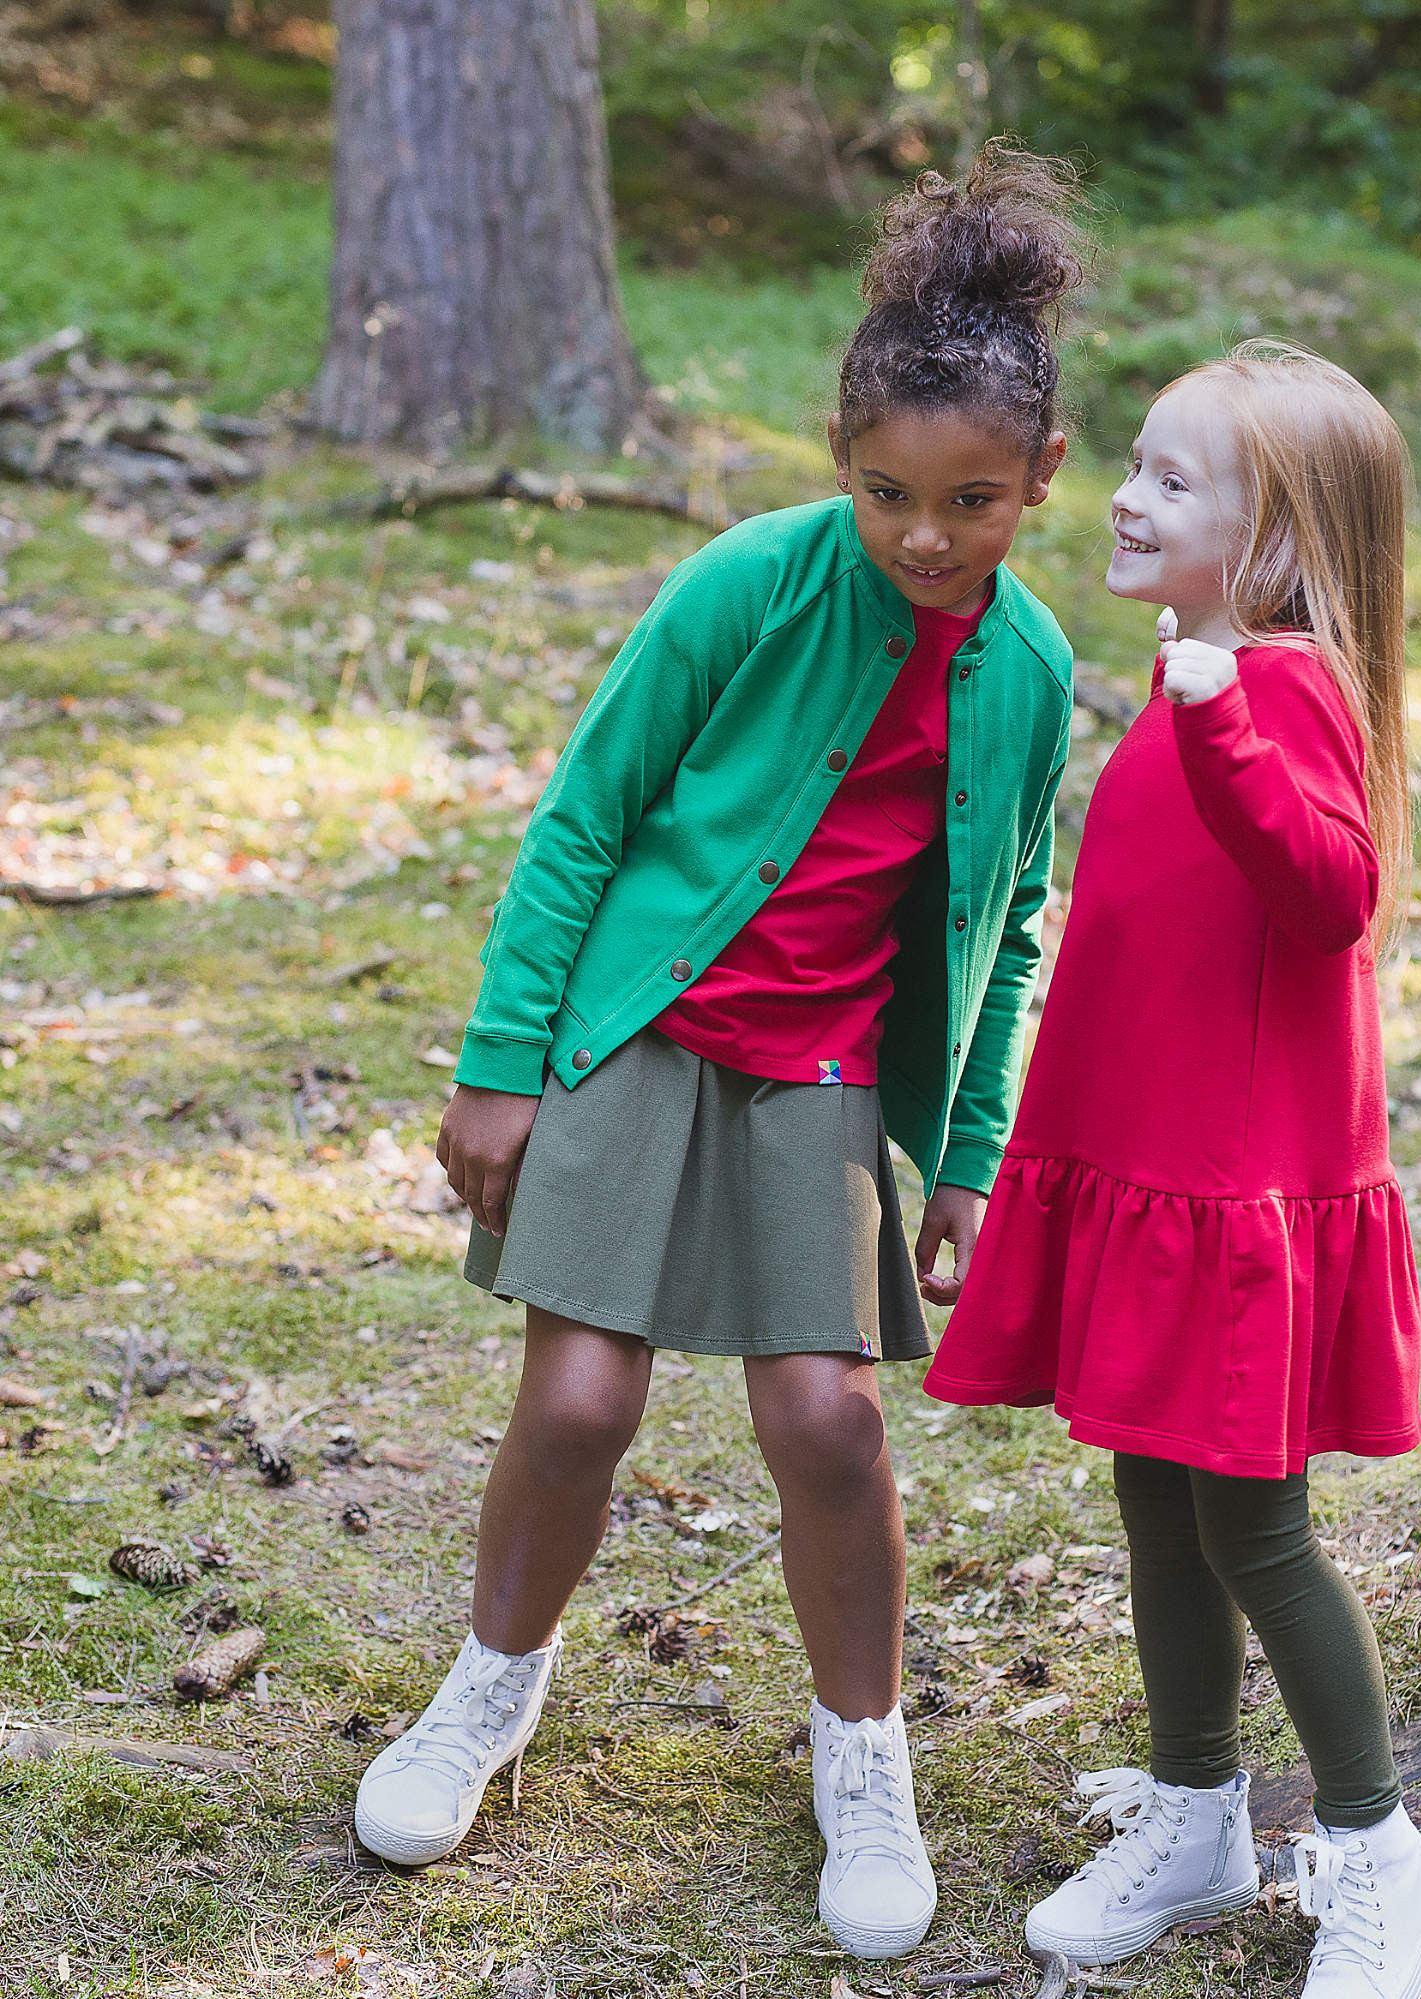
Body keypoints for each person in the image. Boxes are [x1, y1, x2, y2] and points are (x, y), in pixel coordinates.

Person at [352, 143, 1085, 1963]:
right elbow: (583, 824)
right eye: (889, 494)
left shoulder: (1035, 670)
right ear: (840, 466)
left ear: (1041, 481)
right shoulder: (746, 587)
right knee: (584, 1396)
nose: (927, 537)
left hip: (829, 1073)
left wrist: (974, 1158)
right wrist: (501, 1060)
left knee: (826, 1421)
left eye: (974, 501)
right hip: (639, 1029)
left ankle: (865, 1757)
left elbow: (1009, 933)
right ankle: (486, 1698)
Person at [924, 341, 1421, 1995]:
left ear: (1282, 537)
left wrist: (1221, 723)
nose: (1127, 496)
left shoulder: (1280, 686)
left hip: (1234, 1192)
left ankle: (1378, 1847)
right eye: (1135, 464)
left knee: (1257, 1526)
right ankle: (1196, 1811)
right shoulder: (1196, 663)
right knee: (1154, 1496)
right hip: (1146, 1164)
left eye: (1171, 477)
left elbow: (1332, 892)